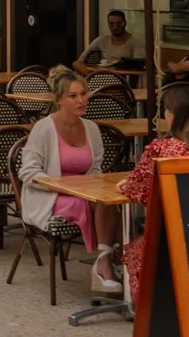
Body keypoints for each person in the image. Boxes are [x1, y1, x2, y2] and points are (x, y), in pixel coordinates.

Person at [119, 83, 189, 301]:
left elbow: (140, 192)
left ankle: (146, 308)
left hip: (169, 234)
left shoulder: (161, 149)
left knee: (135, 250)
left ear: (172, 116)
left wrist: (125, 185)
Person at [18, 66, 120, 296]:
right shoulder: (43, 129)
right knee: (103, 203)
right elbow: (28, 171)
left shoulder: (91, 128)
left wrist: (87, 185)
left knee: (111, 200)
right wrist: (62, 185)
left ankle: (109, 260)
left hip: (84, 191)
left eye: (84, 94)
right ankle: (108, 263)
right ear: (59, 100)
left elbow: (95, 168)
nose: (81, 100)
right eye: (73, 96)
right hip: (49, 195)